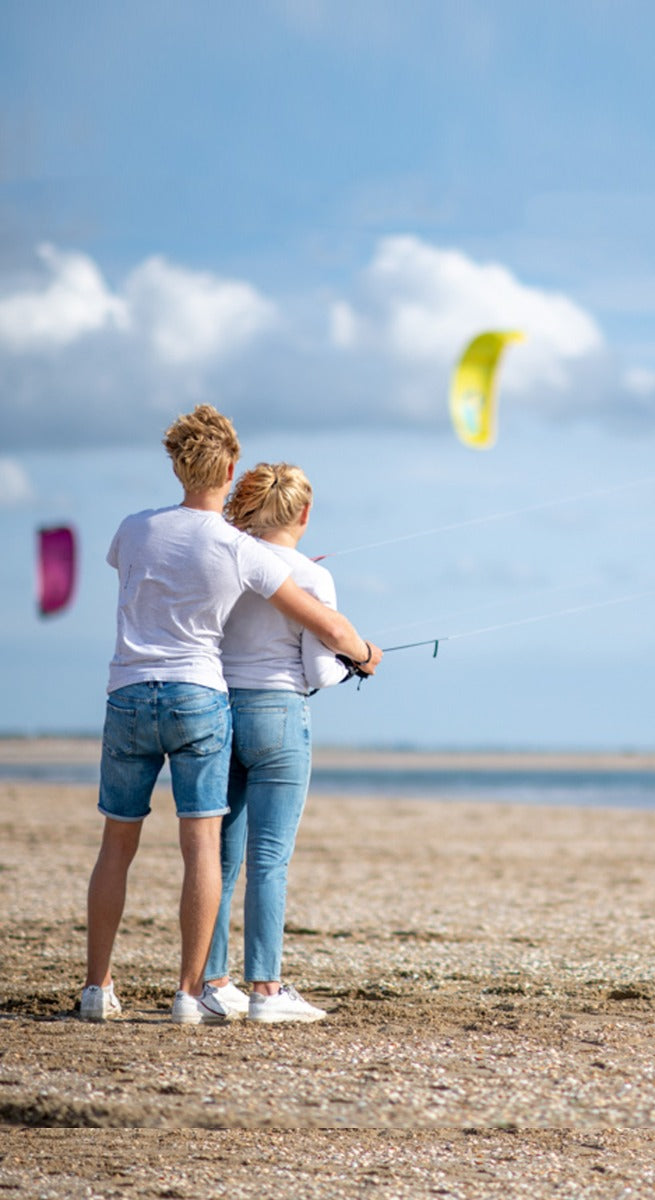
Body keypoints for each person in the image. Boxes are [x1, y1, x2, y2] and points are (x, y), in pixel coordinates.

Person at [81, 406, 382, 1025]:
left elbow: (142, 568)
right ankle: (215, 992)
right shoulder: (241, 550)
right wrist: (366, 656)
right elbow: (326, 634)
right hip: (211, 702)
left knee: (124, 844)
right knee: (223, 850)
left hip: (133, 695)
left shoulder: (133, 528)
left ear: (177, 465)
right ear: (230, 469)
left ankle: (114, 987)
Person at [202, 463, 352, 1023]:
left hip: (218, 712)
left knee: (219, 857)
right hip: (280, 716)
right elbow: (320, 671)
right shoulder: (312, 578)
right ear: (304, 513)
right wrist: (358, 661)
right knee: (268, 860)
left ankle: (212, 984)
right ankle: (266, 990)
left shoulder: (227, 563)